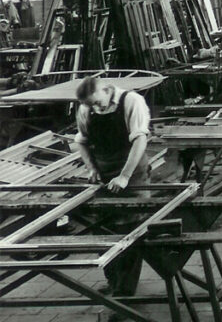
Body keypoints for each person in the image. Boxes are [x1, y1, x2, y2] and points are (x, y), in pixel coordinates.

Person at [71, 77, 152, 302]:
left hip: (132, 172)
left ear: (108, 90)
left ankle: (124, 294)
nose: (95, 108)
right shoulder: (87, 108)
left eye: (98, 103)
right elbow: (82, 141)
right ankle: (114, 282)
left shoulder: (132, 101)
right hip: (104, 172)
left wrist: (125, 176)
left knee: (129, 228)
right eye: (90, 105)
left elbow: (139, 141)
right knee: (103, 228)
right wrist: (92, 169)